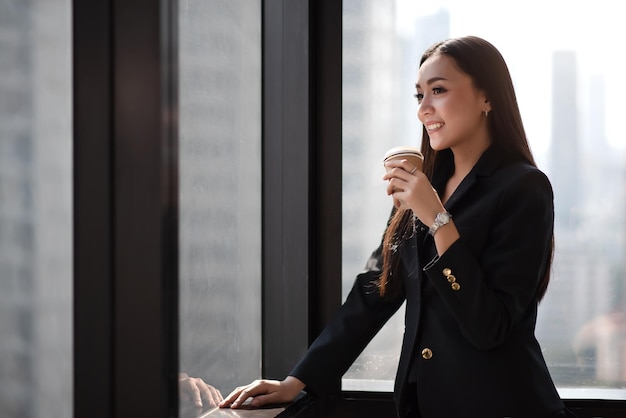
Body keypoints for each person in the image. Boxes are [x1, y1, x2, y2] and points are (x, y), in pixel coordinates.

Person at [219, 35, 573, 417]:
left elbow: (491, 327)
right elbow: (376, 291)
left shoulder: (523, 188)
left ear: (487, 97)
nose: (424, 109)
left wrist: (437, 220)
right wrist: (296, 381)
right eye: (419, 96)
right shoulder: (423, 184)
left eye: (438, 90)